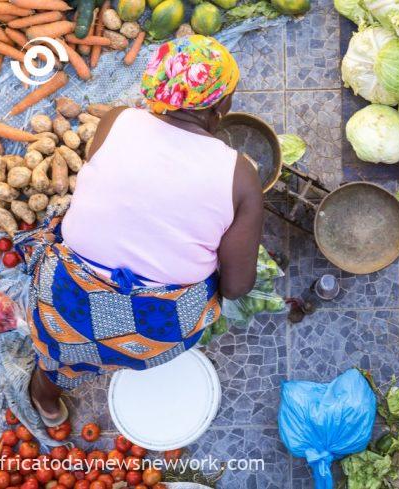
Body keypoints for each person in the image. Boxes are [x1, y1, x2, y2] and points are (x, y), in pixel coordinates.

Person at [23, 35, 263, 427]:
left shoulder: (118, 119)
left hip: (64, 304)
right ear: (221, 105)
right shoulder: (240, 175)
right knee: (209, 277)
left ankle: (45, 392)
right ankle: (122, 353)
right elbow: (237, 287)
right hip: (156, 332)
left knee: (58, 348)